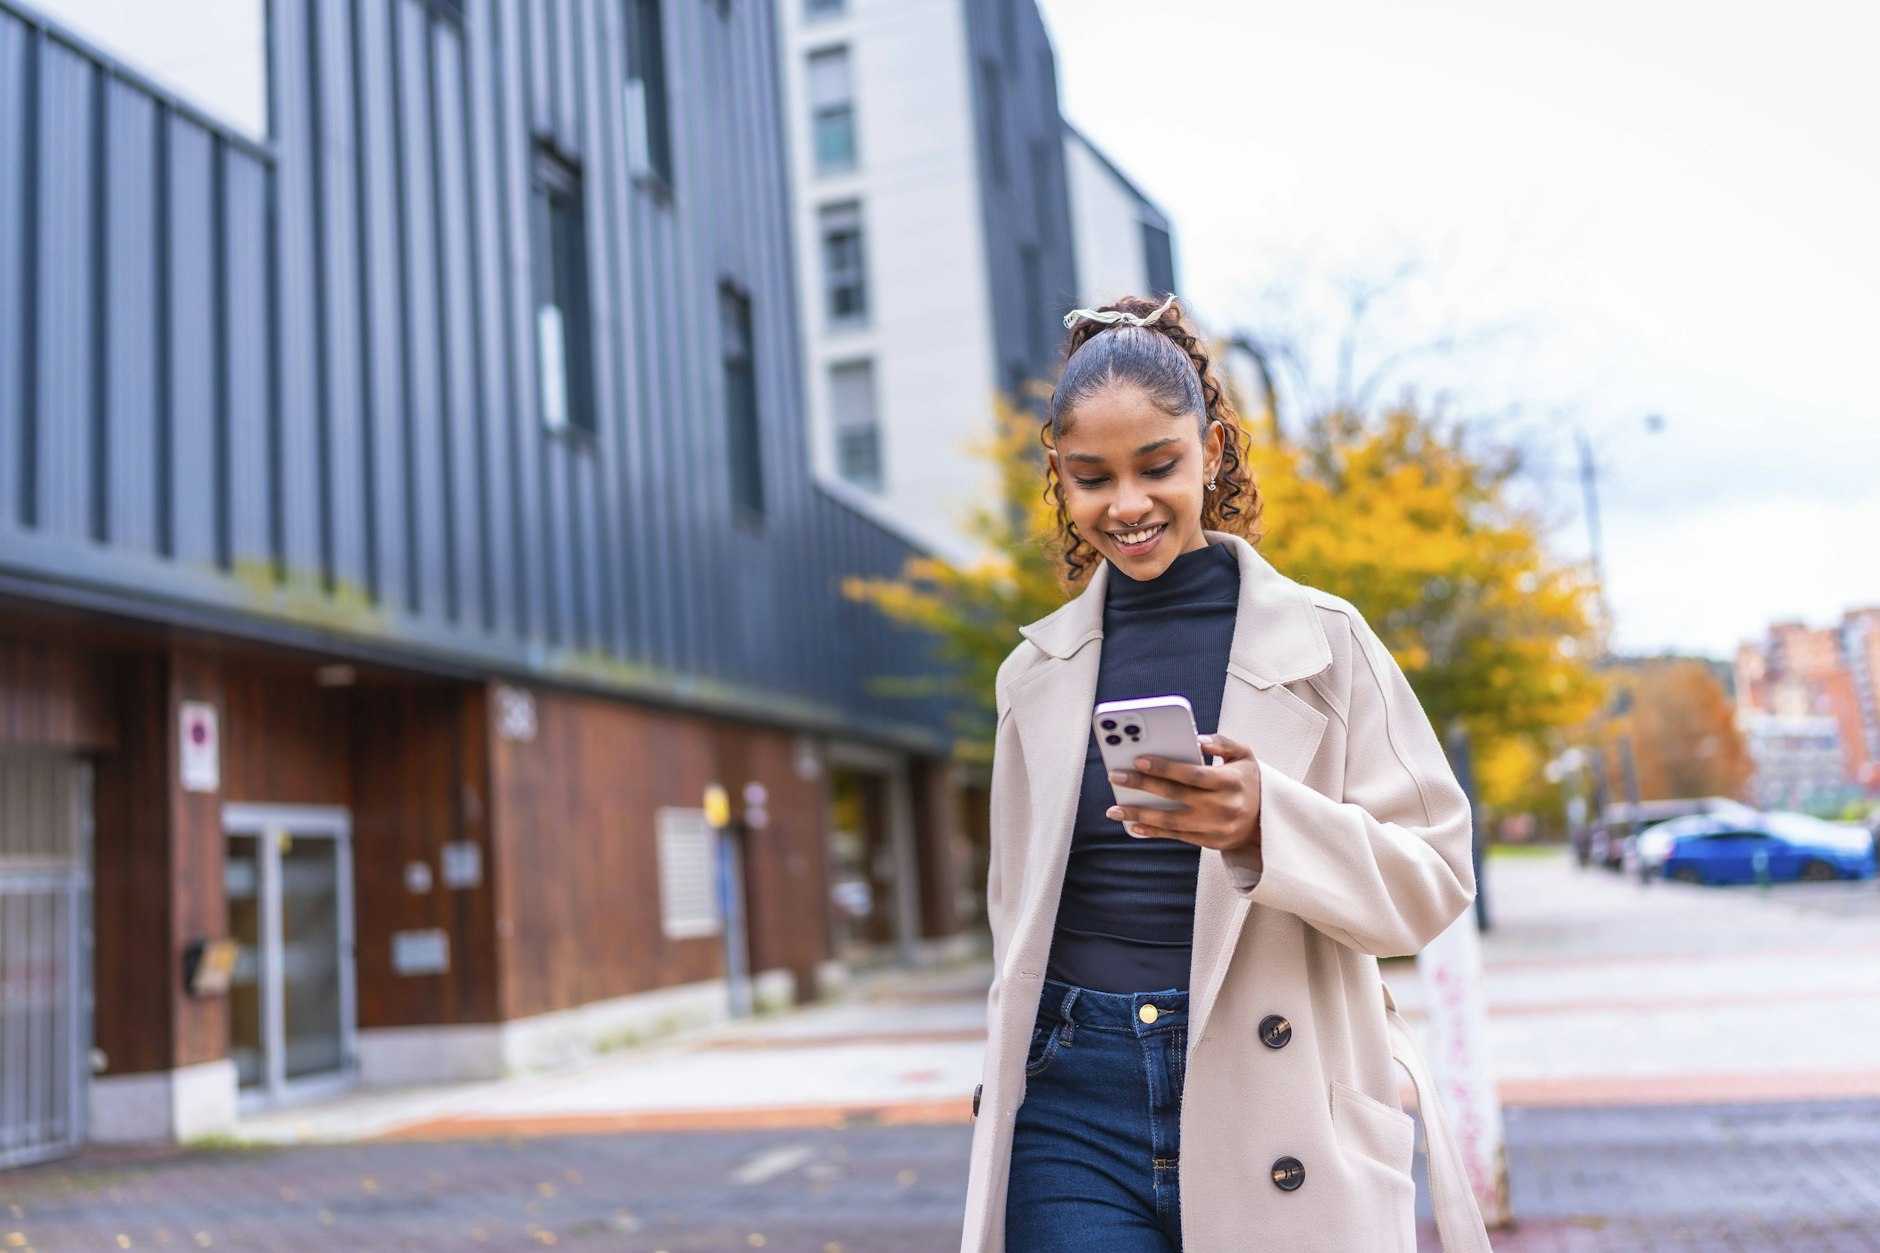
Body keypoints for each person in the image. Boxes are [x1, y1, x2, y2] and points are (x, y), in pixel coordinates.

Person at [958, 295, 1493, 1252]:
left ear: (1212, 451)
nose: (1127, 504)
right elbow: (1015, 918)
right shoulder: (1030, 679)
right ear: (1060, 481)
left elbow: (1437, 874)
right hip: (1075, 1094)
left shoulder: (1328, 644)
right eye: (1092, 477)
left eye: (1158, 465)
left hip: (1276, 1089)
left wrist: (1264, 826)